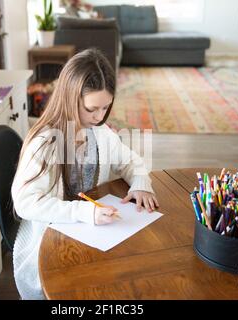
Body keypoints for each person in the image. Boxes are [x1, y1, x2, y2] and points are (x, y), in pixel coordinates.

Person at [11, 48, 159, 299]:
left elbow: (130, 161)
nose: (100, 117)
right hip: (52, 240)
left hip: (93, 230)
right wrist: (85, 212)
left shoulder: (98, 132)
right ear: (70, 99)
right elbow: (25, 203)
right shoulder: (45, 142)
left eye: (105, 108)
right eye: (92, 109)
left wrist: (141, 182)